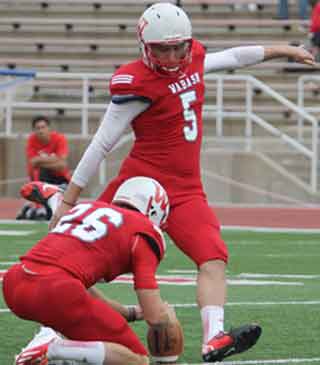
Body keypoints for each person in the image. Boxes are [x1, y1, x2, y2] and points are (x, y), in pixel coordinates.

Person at [49, 2, 315, 362]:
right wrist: (68, 201)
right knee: (81, 257)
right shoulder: (137, 81)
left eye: (178, 47)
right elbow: (102, 142)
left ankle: (213, 338)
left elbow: (233, 56)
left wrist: (281, 50)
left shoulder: (193, 58)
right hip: (140, 185)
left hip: (186, 188)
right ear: (145, 46)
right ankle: (48, 335)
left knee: (213, 257)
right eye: (163, 49)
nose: (173, 56)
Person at [3, 176, 178, 365]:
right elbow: (154, 317)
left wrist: (130, 313)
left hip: (15, 283)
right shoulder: (145, 230)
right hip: (56, 291)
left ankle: (55, 349)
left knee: (77, 329)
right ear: (155, 210)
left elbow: (79, 287)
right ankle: (53, 347)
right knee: (136, 359)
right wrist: (166, 315)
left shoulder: (84, 209)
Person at [16, 115, 71, 220]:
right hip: (42, 182)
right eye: (38, 128)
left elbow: (62, 164)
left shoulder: (59, 139)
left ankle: (30, 209)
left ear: (49, 128)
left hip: (61, 181)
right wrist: (54, 159)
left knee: (61, 213)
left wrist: (40, 161)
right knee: (38, 171)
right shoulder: (32, 140)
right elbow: (32, 162)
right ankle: (37, 208)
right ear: (34, 130)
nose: (41, 131)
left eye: (43, 127)